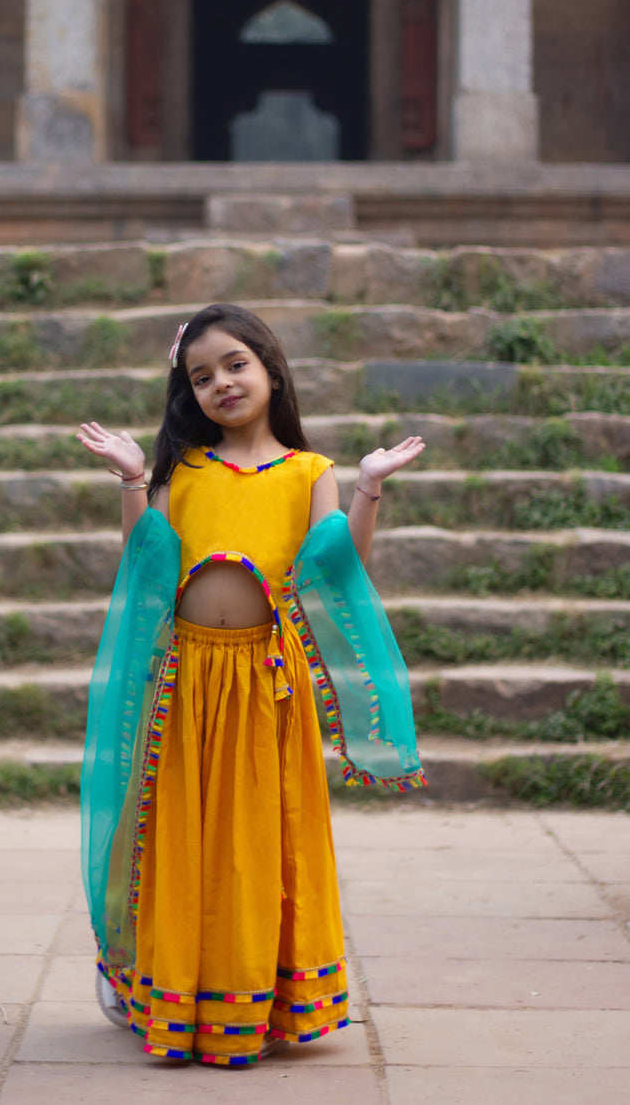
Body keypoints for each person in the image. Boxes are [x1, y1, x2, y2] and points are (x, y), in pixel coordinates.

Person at [77, 303, 426, 1067]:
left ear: (269, 366)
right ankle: (166, 983)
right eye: (200, 376)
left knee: (260, 843)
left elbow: (336, 573)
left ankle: (257, 997)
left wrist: (367, 487)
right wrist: (135, 480)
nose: (220, 383)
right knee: (180, 834)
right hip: (189, 681)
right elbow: (144, 569)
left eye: (234, 363)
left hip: (270, 684)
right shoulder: (184, 473)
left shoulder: (310, 474)